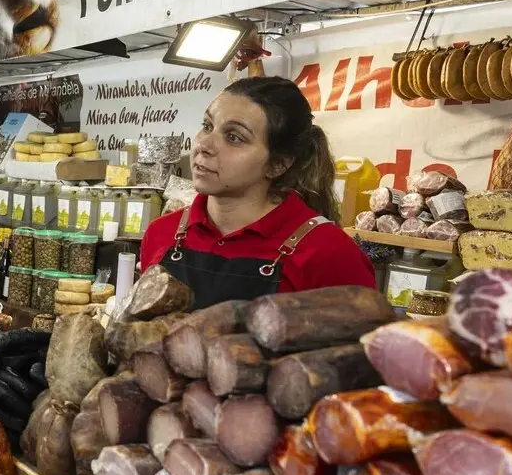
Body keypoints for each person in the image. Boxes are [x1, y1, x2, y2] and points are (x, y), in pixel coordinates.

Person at [139, 76, 376, 310]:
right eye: (207, 126)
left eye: (234, 137)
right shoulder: (161, 233)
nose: (204, 145)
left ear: (278, 164)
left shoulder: (331, 255)